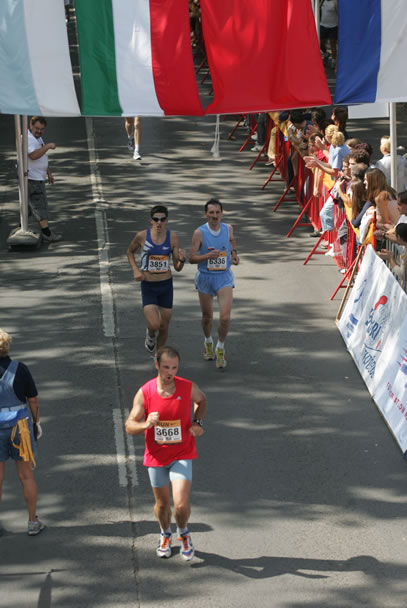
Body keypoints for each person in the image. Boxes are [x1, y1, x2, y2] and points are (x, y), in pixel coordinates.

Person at [125, 346, 207, 561]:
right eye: (165, 367)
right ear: (156, 365)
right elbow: (129, 425)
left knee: (180, 504)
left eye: (174, 368)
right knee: (162, 505)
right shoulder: (145, 392)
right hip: (157, 457)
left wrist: (197, 422)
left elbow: (202, 400)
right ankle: (165, 533)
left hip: (182, 453)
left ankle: (184, 532)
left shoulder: (187, 387)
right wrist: (145, 425)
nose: (170, 372)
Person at [0, 329, 44, 536]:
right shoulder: (20, 369)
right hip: (20, 428)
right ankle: (32, 521)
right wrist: (36, 422)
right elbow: (32, 400)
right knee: (26, 476)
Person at [126, 205, 186, 353]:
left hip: (166, 285)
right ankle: (151, 334)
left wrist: (182, 260)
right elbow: (130, 252)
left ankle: (158, 358)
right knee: (154, 325)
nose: (159, 222)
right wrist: (135, 270)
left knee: (164, 326)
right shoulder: (141, 236)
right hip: (148, 285)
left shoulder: (173, 237)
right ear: (151, 220)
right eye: (156, 219)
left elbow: (177, 267)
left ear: (167, 221)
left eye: (162, 219)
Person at [189, 198, 239, 369]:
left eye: (218, 212)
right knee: (207, 317)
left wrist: (234, 254)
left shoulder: (228, 228)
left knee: (225, 317)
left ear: (222, 213)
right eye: (211, 213)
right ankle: (208, 341)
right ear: (206, 214)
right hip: (205, 277)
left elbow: (232, 240)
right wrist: (206, 256)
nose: (215, 216)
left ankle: (220, 348)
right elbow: (191, 258)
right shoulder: (199, 233)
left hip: (224, 276)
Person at [27, 116, 62, 242]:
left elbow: (42, 156)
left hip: (37, 176)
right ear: (31, 125)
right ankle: (46, 233)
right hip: (33, 179)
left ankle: (21, 226)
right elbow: (33, 155)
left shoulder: (36, 137)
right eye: (37, 128)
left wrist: (49, 172)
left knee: (30, 205)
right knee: (40, 205)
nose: (39, 131)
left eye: (42, 129)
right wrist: (47, 146)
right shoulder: (28, 139)